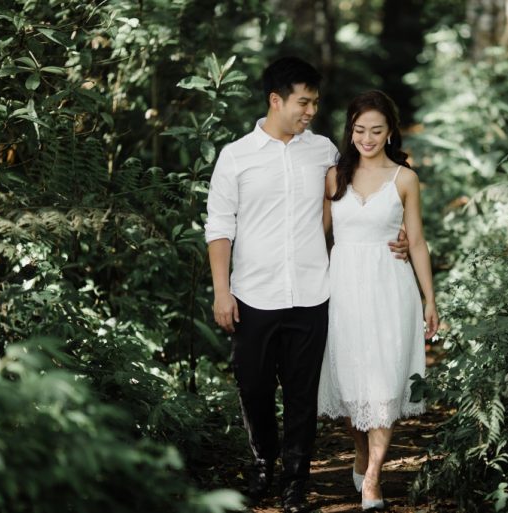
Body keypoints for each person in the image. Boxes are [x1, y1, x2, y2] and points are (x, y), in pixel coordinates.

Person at [204, 58, 407, 513]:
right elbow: (219, 227)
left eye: (315, 101)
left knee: (301, 396)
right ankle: (263, 464)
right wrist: (222, 291)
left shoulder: (324, 152)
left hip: (314, 294)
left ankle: (296, 484)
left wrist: (400, 230)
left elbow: (362, 194)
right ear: (276, 101)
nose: (311, 110)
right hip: (253, 295)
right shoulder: (236, 156)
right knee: (253, 387)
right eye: (304, 101)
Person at [317, 90, 439, 511]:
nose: (367, 138)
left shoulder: (404, 178)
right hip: (344, 288)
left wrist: (429, 299)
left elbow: (418, 242)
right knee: (353, 385)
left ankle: (373, 479)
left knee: (384, 382)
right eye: (360, 130)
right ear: (350, 131)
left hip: (390, 286)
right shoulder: (335, 177)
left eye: (377, 130)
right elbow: (318, 237)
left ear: (390, 133)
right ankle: (360, 449)